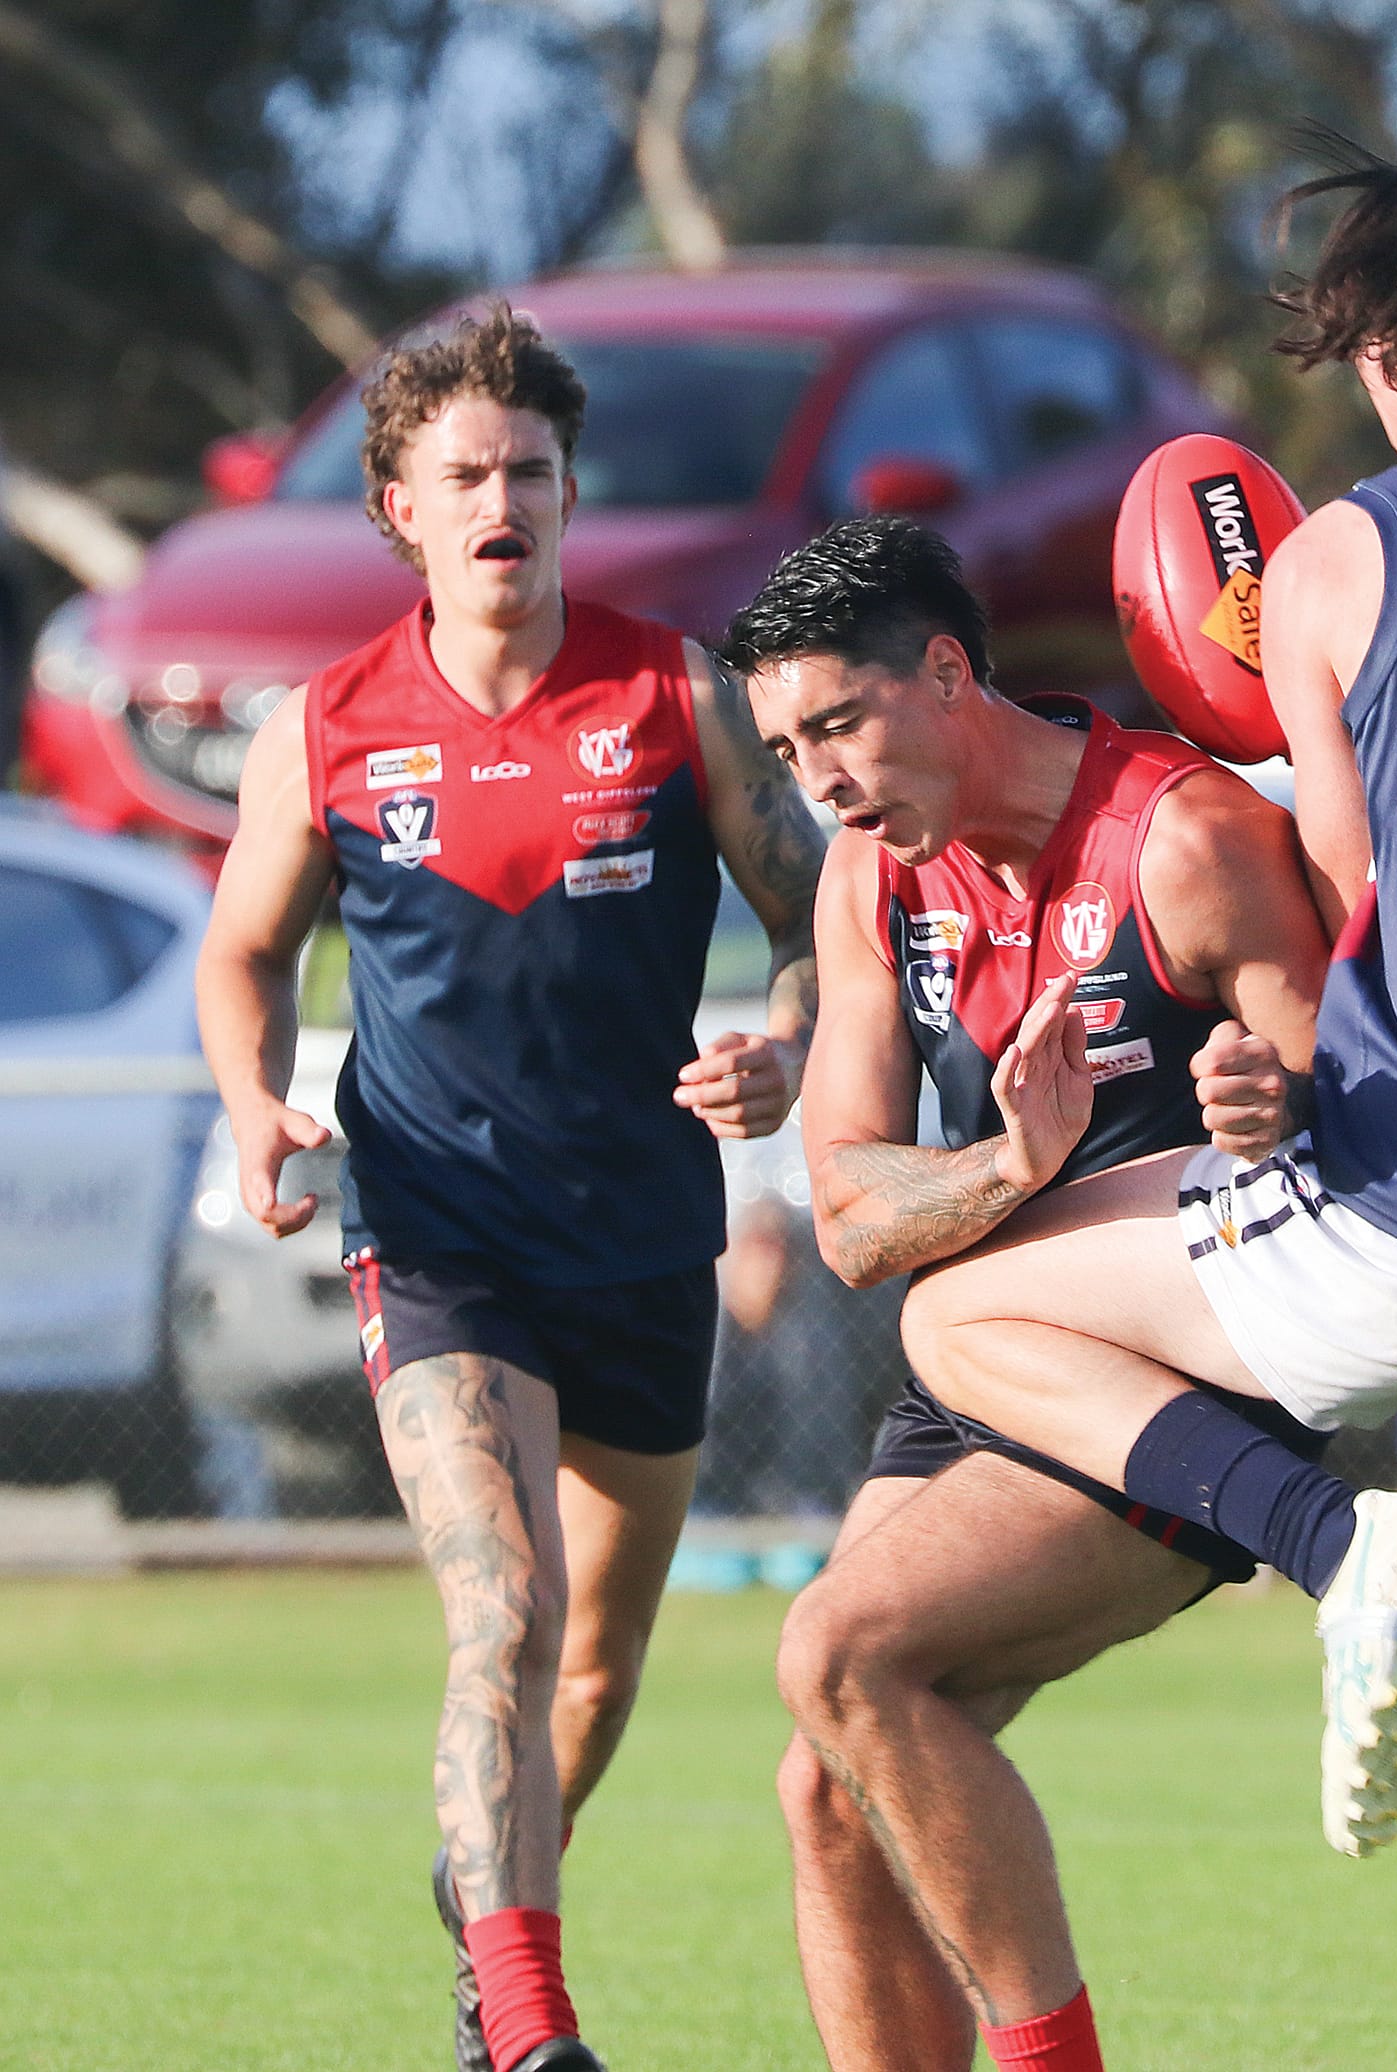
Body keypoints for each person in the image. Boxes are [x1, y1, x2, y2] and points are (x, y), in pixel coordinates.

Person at [792, 145, 1397, 2072]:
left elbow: (1344, 888)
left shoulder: (1345, 550)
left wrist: (1276, 1024)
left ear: (1387, 336)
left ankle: (1336, 1552)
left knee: (955, 1305)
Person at [195, 307, 825, 2072]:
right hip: (439, 1231)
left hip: (643, 1243)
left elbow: (813, 920)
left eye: (531, 472)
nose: (503, 500)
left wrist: (780, 1043)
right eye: (464, 474)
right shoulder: (324, 727)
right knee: (505, 1605)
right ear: (398, 506)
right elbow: (244, 952)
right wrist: (256, 1103)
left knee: (595, 1676)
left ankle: (486, 1887)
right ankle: (528, 2024)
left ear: (568, 494)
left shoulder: (672, 689)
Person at [720, 514, 1332, 2071]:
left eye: (840, 725)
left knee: (843, 1658)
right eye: (788, 749)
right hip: (982, 1358)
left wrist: (1281, 1103)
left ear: (943, 672)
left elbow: (1367, 1113)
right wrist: (1006, 1165)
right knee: (823, 1783)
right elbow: (854, 1218)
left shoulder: (1185, 843)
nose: (822, 782)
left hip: (1181, 1384)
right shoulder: (877, 886)